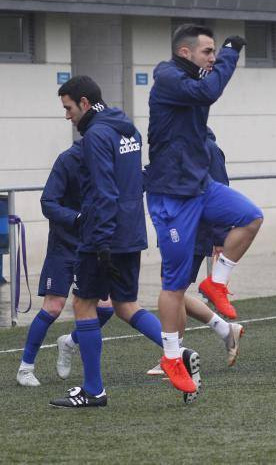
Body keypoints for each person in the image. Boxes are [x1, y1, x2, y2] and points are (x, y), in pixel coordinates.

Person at [146, 24, 263, 392]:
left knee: (251, 216)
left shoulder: (192, 80)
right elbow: (210, 90)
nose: (213, 58)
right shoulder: (167, 76)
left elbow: (207, 88)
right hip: (172, 195)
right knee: (175, 284)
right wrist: (230, 52)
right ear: (186, 53)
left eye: (215, 52)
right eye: (207, 52)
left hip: (200, 186)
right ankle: (170, 354)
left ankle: (217, 282)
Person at [49, 76, 166, 408]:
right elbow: (138, 178)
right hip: (131, 232)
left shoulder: (96, 136)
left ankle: (93, 389)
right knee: (125, 305)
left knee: (83, 305)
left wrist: (99, 241)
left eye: (69, 108)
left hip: (104, 235)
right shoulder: (128, 128)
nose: (67, 115)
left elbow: (104, 191)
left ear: (84, 103)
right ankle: (178, 352)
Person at [15, 141, 115, 387]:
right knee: (53, 306)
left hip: (92, 245)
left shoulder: (107, 156)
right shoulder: (67, 160)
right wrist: (77, 219)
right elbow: (47, 202)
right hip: (64, 246)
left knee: (105, 307)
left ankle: (69, 341)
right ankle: (25, 368)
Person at [147, 128, 244, 375]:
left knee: (172, 291)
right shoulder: (173, 147)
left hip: (193, 233)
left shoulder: (209, 149)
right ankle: (224, 330)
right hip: (174, 229)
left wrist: (221, 237)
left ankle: (175, 355)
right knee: (173, 291)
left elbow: (221, 189)